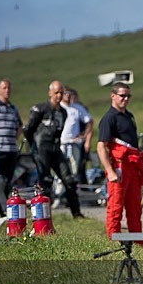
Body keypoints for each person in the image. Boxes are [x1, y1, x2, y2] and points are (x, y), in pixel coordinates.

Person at [22, 80, 85, 218]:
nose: (59, 95)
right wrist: (34, 146)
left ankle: (76, 213)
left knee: (69, 179)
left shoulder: (63, 112)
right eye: (56, 92)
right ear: (50, 93)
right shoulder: (40, 108)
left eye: (61, 93)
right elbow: (27, 129)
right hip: (41, 149)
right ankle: (43, 215)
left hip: (56, 149)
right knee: (46, 180)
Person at [96, 82, 143, 240]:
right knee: (115, 208)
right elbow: (101, 146)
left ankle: (138, 244)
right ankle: (114, 243)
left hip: (133, 167)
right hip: (119, 168)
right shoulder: (109, 118)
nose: (125, 99)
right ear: (113, 96)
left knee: (134, 209)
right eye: (122, 96)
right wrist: (110, 171)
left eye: (128, 96)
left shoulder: (129, 116)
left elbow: (134, 147)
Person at [0, 78, 23, 215]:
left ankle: (6, 211)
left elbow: (20, 126)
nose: (7, 90)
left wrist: (13, 139)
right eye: (4, 88)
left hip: (11, 150)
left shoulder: (13, 108)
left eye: (9, 87)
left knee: (7, 182)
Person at [60, 87, 93, 185]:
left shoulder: (77, 108)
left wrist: (84, 135)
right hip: (61, 142)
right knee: (61, 169)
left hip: (74, 142)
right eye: (65, 93)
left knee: (74, 170)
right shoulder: (58, 107)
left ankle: (72, 191)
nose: (67, 95)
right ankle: (59, 194)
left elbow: (89, 121)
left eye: (68, 93)